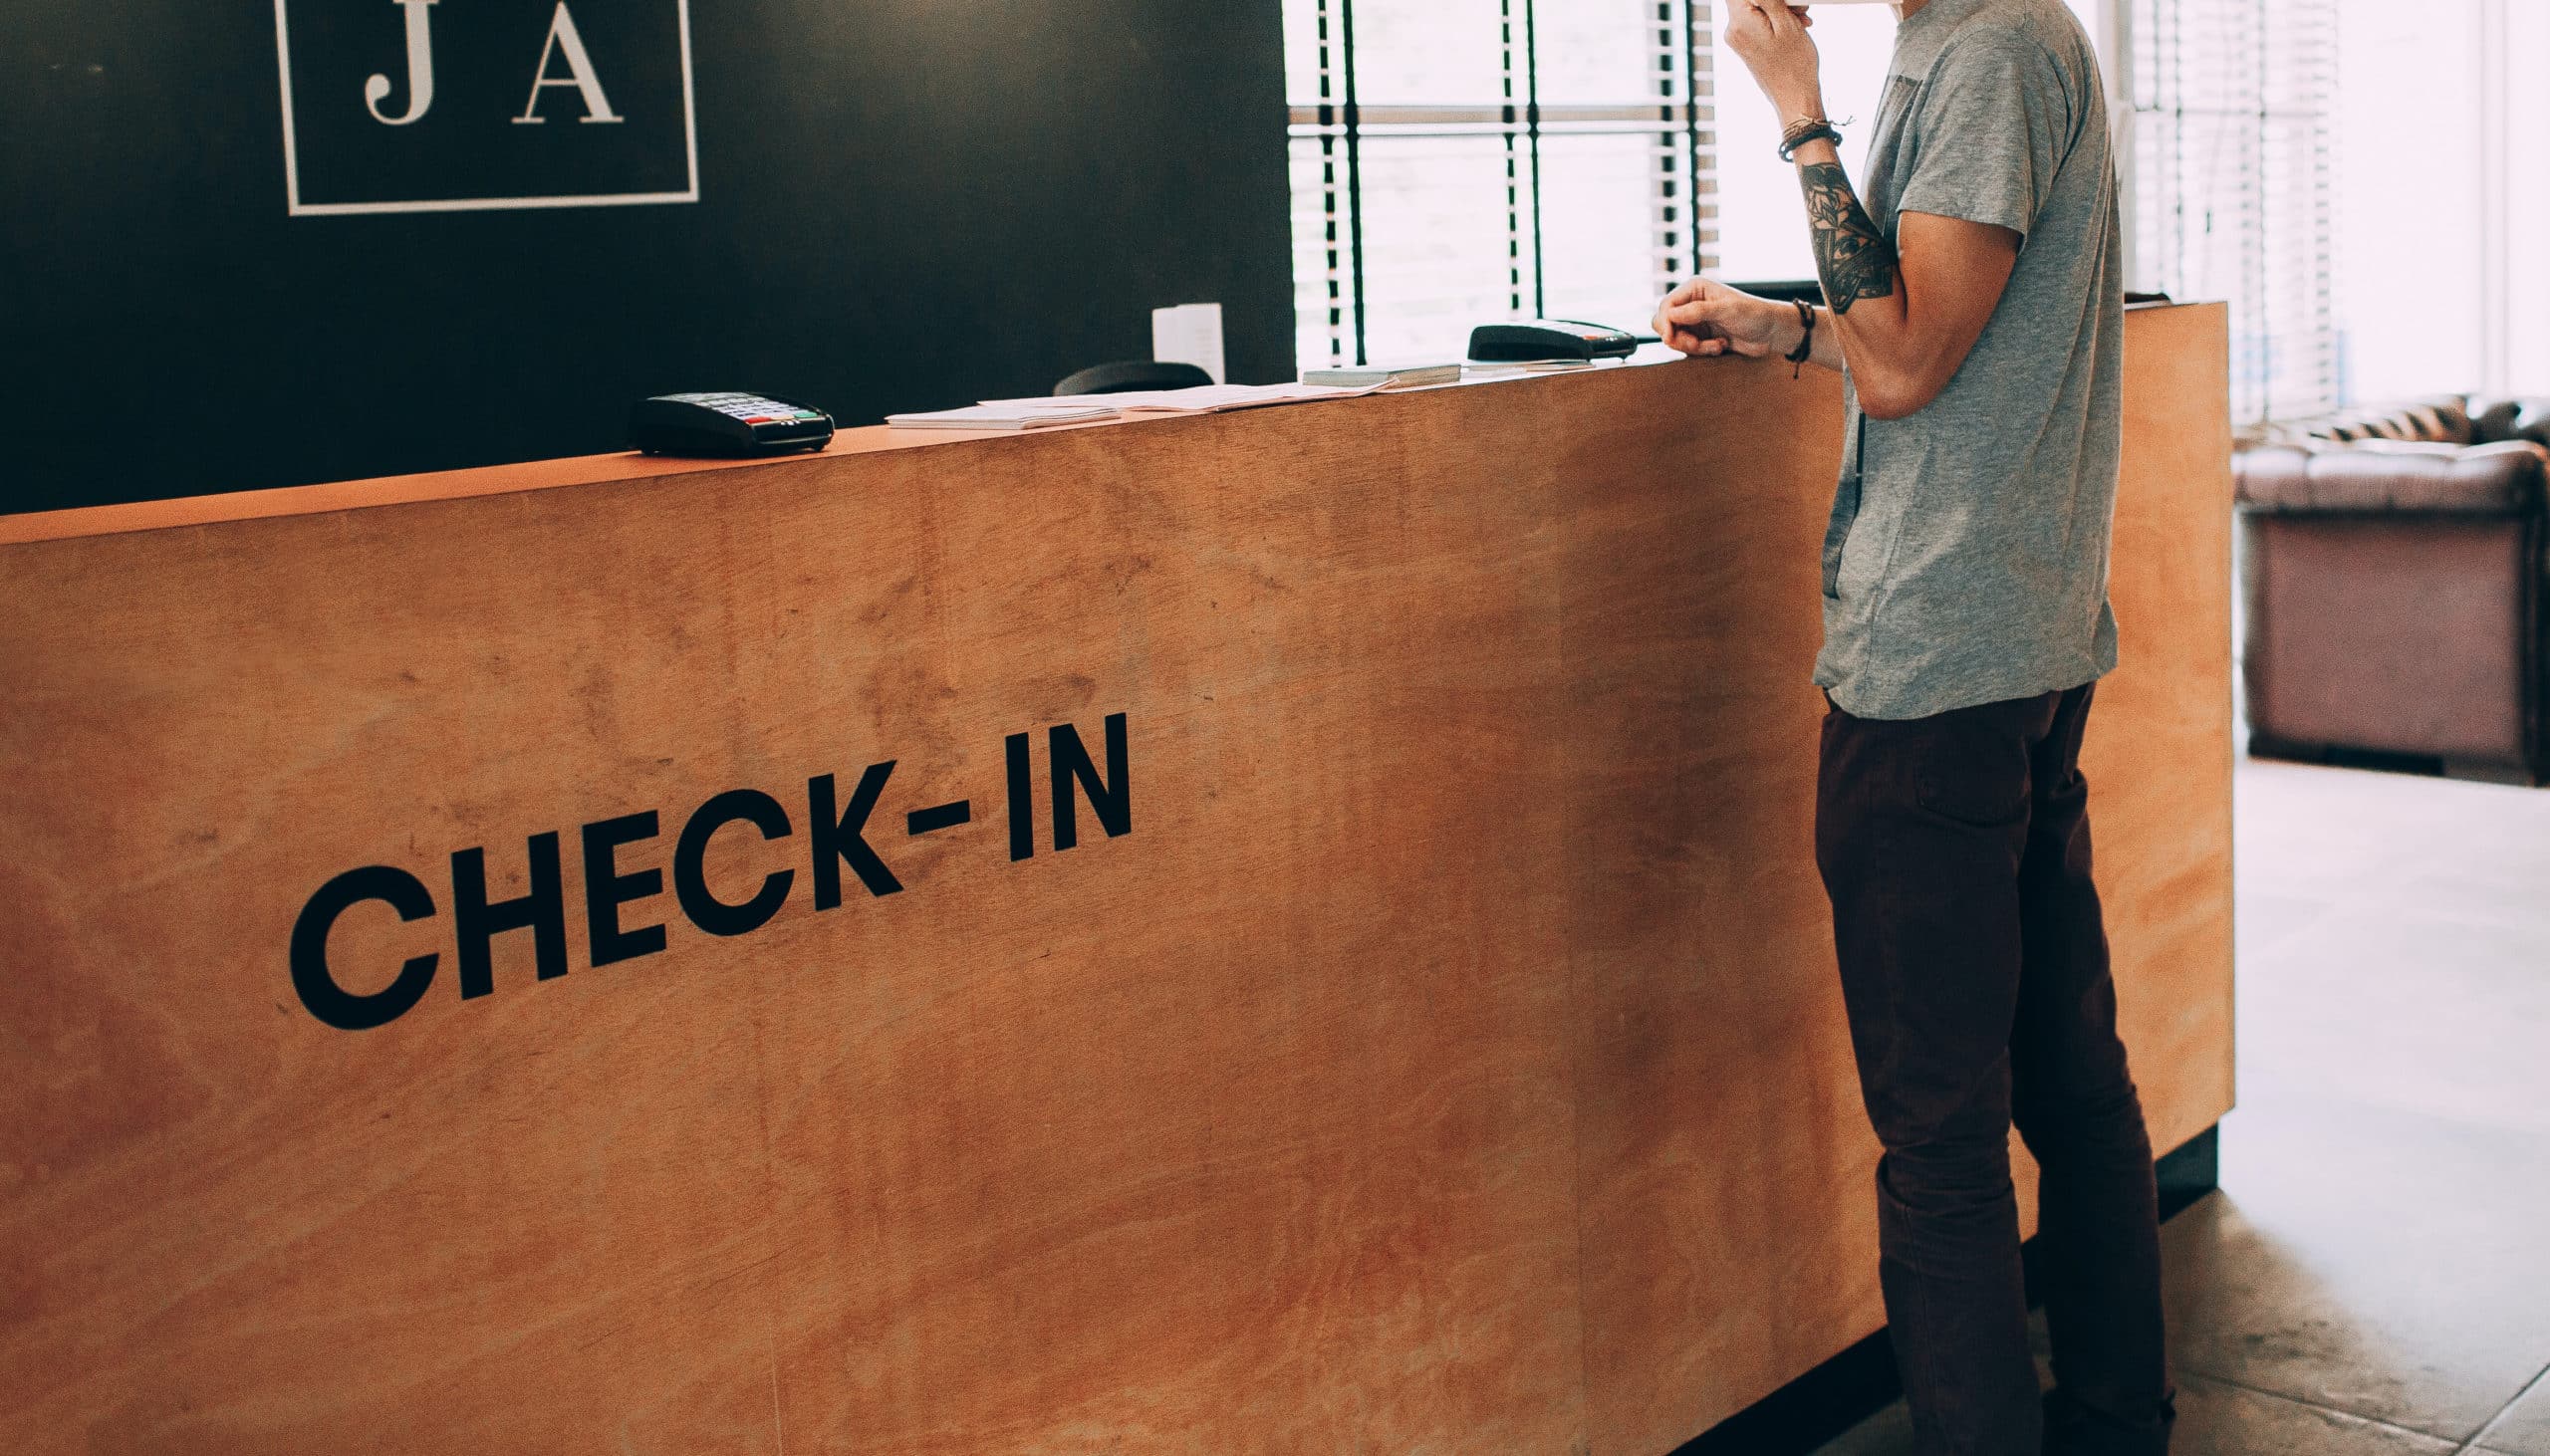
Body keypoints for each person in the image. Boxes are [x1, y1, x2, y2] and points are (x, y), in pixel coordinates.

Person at [1650, 2, 2174, 1453]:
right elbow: (1922, 329)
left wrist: (1795, 104)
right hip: (2013, 655)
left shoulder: (1993, 50)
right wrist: (1789, 328)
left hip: (1936, 677)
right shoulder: (1993, 39)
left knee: (1941, 1146)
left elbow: (1908, 367)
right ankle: (2124, 1420)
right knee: (2074, 1084)